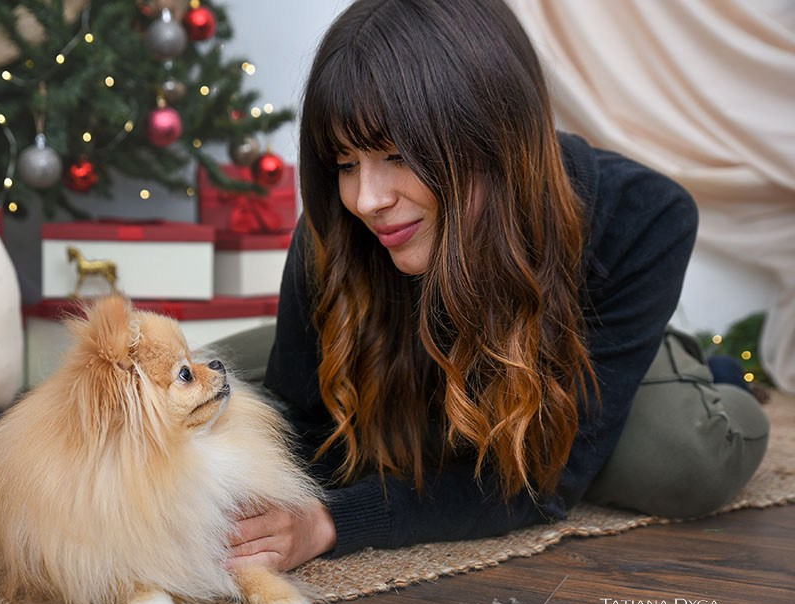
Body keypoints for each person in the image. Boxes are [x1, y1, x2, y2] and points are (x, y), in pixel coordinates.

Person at [220, 0, 770, 573]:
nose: (367, 200)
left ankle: (717, 369)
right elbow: (304, 428)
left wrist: (332, 520)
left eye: (396, 154)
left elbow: (545, 483)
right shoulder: (339, 227)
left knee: (684, 459)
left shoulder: (645, 214)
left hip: (577, 348)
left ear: (491, 134)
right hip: (428, 362)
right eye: (345, 162)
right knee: (210, 382)